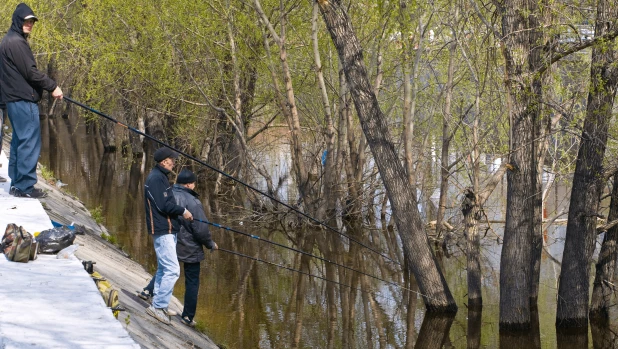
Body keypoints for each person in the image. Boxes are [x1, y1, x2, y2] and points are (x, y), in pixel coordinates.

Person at [0, 3, 63, 198]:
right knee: (29, 143)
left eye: (32, 21)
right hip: (23, 100)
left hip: (14, 100)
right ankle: (25, 187)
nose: (30, 24)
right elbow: (31, 72)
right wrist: (52, 86)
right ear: (18, 20)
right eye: (27, 21)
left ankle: (17, 183)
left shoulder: (9, 40)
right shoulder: (16, 43)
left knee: (20, 141)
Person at [144, 147, 193, 325]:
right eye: (172, 160)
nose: (174, 163)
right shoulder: (156, 178)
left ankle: (159, 304)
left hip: (168, 229)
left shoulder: (161, 177)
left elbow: (167, 202)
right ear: (164, 161)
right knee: (173, 270)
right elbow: (165, 206)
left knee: (164, 269)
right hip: (163, 230)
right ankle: (157, 307)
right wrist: (184, 211)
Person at [173, 168, 218, 327]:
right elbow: (201, 229)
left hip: (171, 241)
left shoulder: (169, 193)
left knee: (165, 270)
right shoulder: (193, 202)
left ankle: (148, 292)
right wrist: (210, 244)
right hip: (190, 247)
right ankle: (187, 317)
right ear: (190, 184)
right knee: (192, 282)